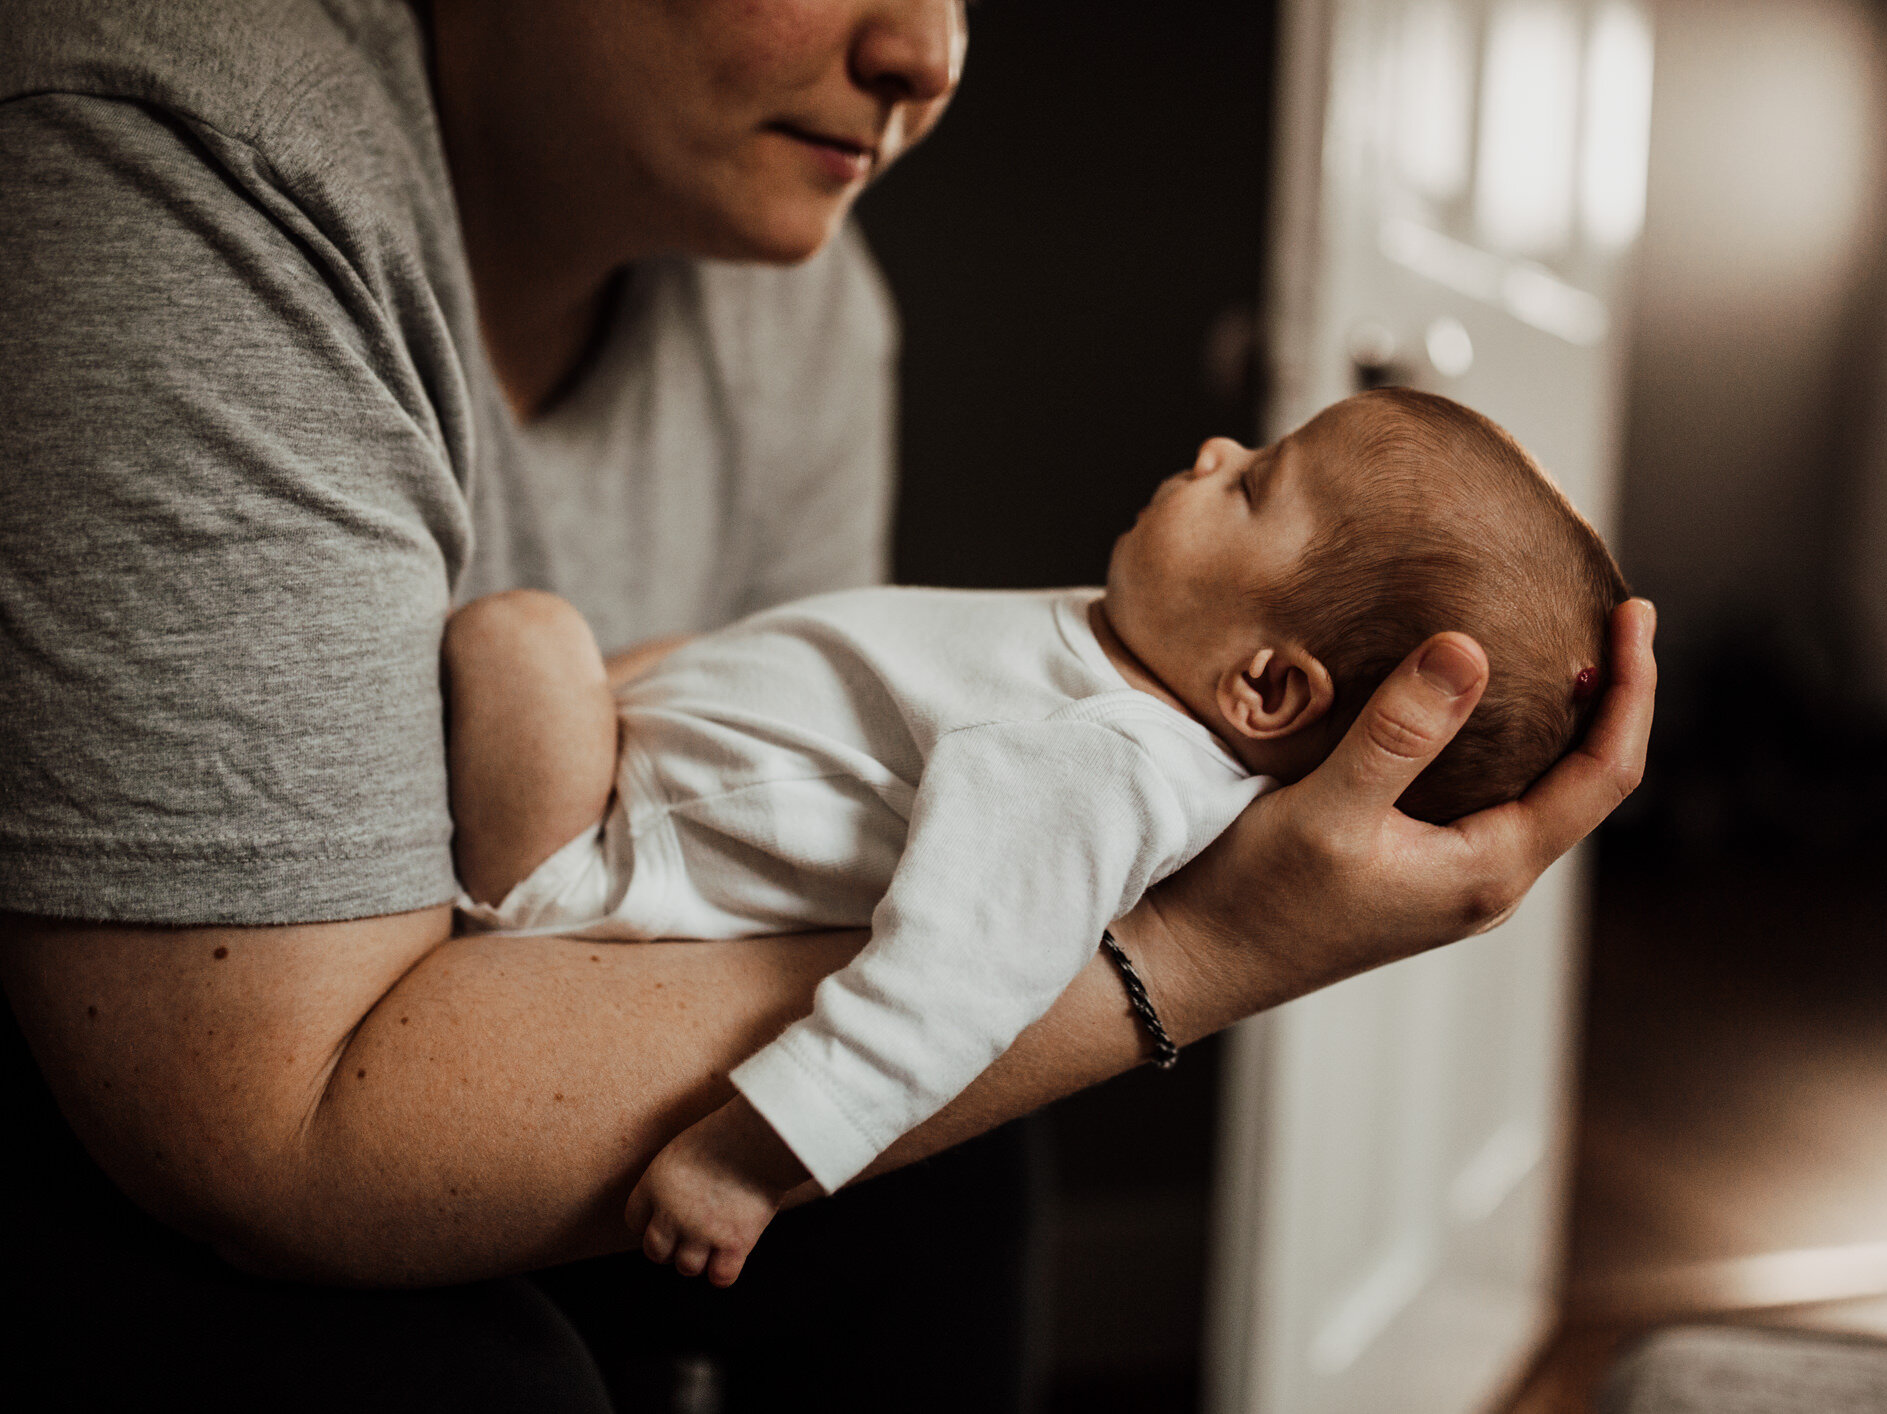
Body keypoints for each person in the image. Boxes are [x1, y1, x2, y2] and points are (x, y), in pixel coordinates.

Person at [0, 0, 1656, 1407]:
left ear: (1270, 680)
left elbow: (916, 915)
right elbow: (276, 1120)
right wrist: (1208, 946)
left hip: (546, 908)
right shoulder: (180, 157)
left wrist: (1209, 948)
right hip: (160, 1093)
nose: (924, 52)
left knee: (949, 1170)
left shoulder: (803, 308)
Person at [442, 387, 1630, 1285]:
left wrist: (751, 1157)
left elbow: (951, 989)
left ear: (1266, 686)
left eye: (1255, 486)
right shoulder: (1114, 666)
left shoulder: (1106, 766)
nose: (1215, 454)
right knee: (567, 652)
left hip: (587, 867)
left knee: (516, 632)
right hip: (634, 767)